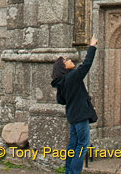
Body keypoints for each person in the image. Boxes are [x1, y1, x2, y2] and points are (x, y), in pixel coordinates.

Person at [51, 35, 98, 174]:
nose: (70, 60)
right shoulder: (72, 77)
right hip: (80, 114)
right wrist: (92, 46)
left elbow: (61, 100)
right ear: (63, 67)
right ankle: (74, 172)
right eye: (66, 60)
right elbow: (86, 65)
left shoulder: (62, 82)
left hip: (72, 115)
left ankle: (69, 171)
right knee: (82, 145)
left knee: (73, 144)